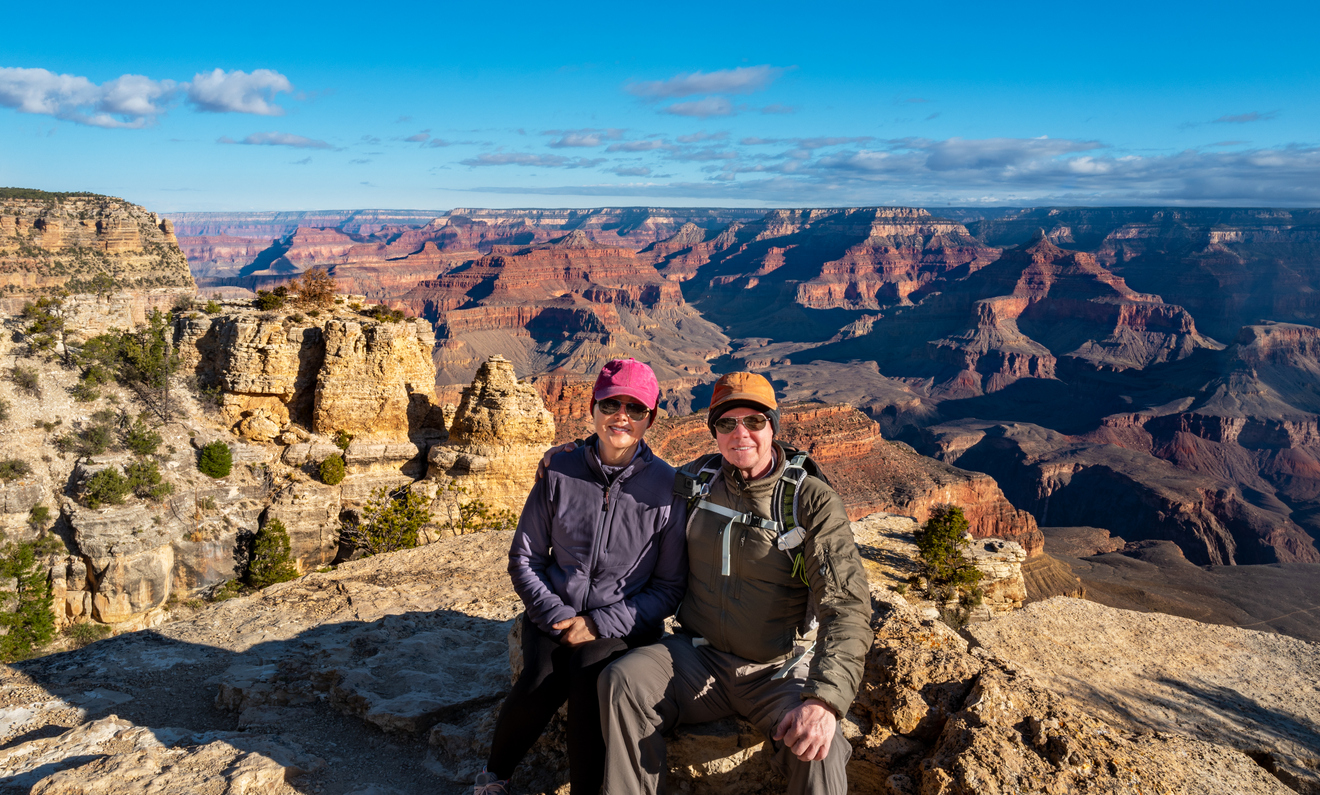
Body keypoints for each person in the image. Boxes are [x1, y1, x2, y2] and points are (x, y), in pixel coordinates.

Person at [598, 372, 871, 795]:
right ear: (714, 432)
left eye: (754, 422)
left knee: (821, 748)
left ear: (773, 427)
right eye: (726, 424)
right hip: (696, 658)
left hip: (776, 672)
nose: (740, 433)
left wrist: (824, 701)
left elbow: (847, 607)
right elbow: (627, 483)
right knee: (622, 682)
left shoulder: (809, 501)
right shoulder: (696, 481)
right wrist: (568, 461)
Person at [474, 359, 688, 795]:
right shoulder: (559, 470)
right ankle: (494, 778)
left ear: (651, 418)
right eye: (611, 404)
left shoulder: (668, 488)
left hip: (626, 622)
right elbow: (525, 557)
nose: (621, 417)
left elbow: (668, 589)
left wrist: (596, 624)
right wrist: (556, 613)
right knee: (540, 675)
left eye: (635, 408)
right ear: (592, 407)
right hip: (556, 609)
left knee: (592, 675)